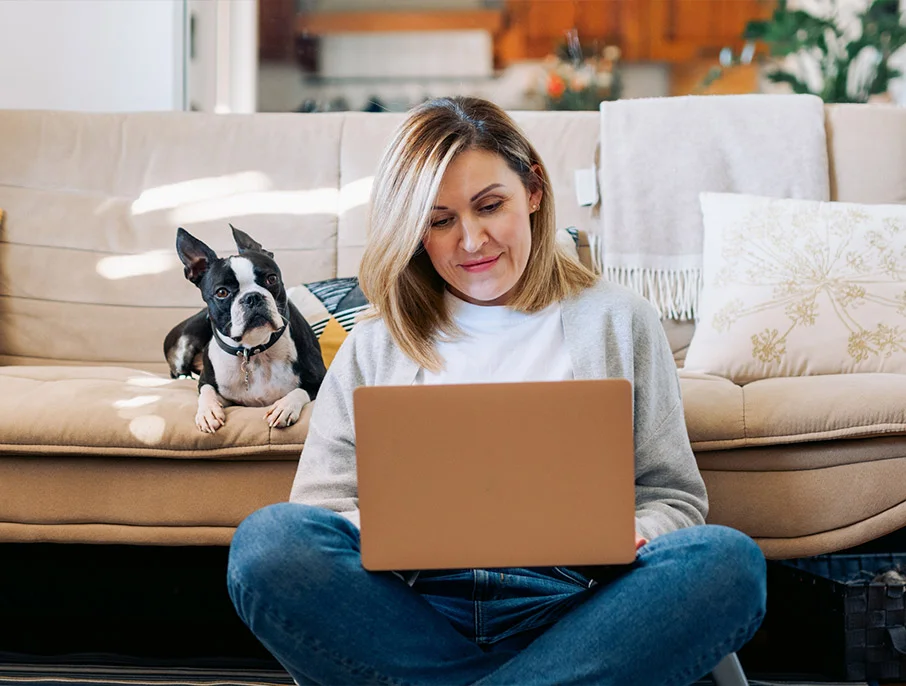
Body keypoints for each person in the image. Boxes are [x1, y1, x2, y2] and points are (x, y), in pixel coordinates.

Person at [227, 96, 767, 686]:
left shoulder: (621, 320)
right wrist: (376, 526)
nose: (471, 241)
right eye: (439, 221)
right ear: (415, 233)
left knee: (728, 565)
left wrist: (642, 535)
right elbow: (318, 511)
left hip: (582, 608)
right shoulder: (375, 343)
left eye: (490, 206)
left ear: (533, 191)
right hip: (418, 610)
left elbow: (674, 497)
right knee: (266, 545)